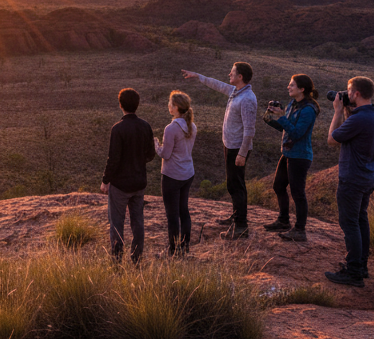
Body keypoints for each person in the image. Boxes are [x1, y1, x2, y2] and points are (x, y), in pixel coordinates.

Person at [182, 62, 257, 239]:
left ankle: (241, 226)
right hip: (230, 145)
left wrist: (242, 153)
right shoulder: (235, 91)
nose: (228, 74)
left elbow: (250, 130)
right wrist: (198, 76)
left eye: (232, 72)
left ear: (240, 77)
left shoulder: (247, 98)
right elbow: (218, 85)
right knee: (232, 183)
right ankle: (237, 215)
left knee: (236, 185)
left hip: (238, 148)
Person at [324, 76, 374, 287]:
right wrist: (349, 108)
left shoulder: (358, 119)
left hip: (352, 177)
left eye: (349, 92)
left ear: (356, 94)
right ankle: (362, 266)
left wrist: (338, 111)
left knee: (349, 223)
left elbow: (332, 140)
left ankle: (353, 272)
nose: (346, 94)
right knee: (360, 221)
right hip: (368, 175)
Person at [101, 87, 156, 263]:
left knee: (116, 223)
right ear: (137, 105)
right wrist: (138, 161)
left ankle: (117, 260)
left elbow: (113, 159)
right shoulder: (145, 126)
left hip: (120, 185)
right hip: (139, 182)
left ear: (120, 105)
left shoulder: (118, 129)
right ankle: (136, 259)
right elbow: (150, 154)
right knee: (137, 222)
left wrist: (105, 180)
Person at [262, 74, 319, 242]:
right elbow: (285, 129)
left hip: (300, 156)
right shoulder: (292, 105)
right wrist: (270, 118)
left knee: (298, 193)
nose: (288, 87)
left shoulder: (308, 110)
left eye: (292, 85)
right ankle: (283, 221)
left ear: (302, 89)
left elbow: (296, 133)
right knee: (278, 186)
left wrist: (281, 117)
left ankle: (300, 230)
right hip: (288, 153)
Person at [153, 90, 197, 256]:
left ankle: (172, 250)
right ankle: (184, 247)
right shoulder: (192, 125)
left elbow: (166, 154)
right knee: (183, 211)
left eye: (170, 103)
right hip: (188, 173)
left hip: (172, 175)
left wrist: (156, 145)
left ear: (176, 107)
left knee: (172, 214)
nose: (168, 106)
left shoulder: (171, 128)